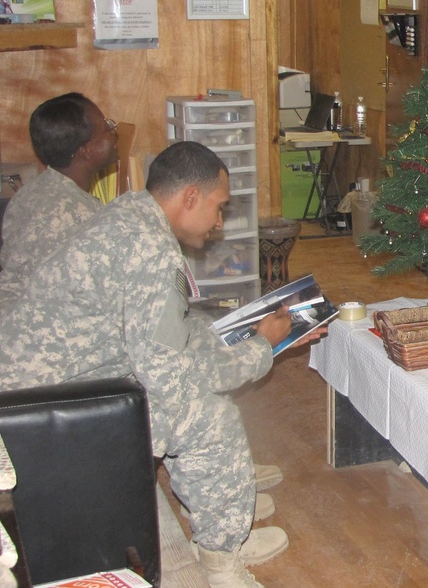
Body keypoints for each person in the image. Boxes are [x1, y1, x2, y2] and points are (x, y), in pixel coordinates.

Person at [0, 142, 307, 587]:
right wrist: (262, 349)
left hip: (42, 382)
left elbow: (169, 330)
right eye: (218, 208)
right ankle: (221, 556)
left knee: (199, 369)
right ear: (189, 198)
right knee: (209, 419)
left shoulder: (131, 215)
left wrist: (236, 334)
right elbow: (170, 379)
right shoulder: (153, 254)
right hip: (33, 409)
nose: (220, 223)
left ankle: (217, 503)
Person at [0, 93, 116, 299]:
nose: (114, 132)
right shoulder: (79, 214)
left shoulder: (31, 192)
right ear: (86, 150)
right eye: (106, 126)